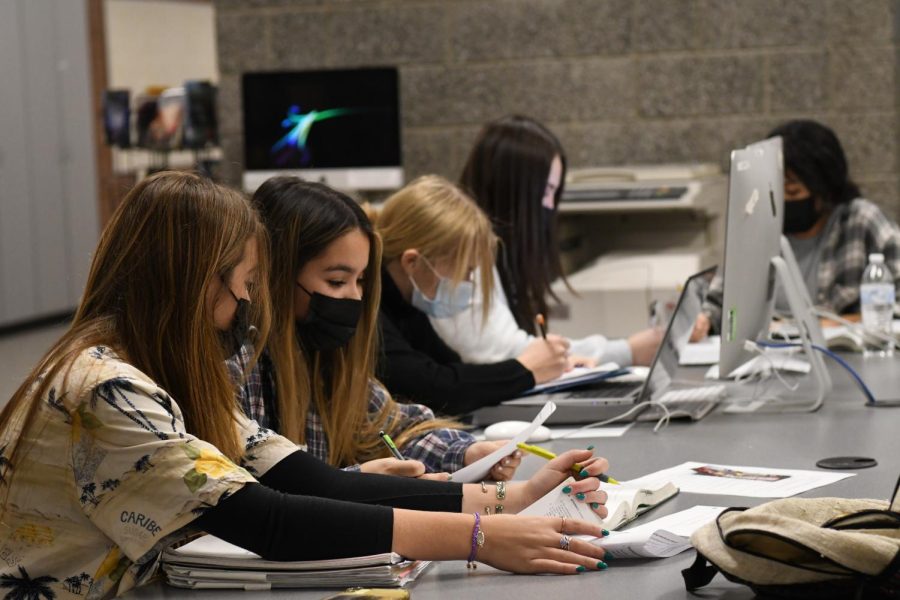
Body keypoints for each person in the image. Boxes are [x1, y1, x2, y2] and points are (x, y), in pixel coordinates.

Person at [0, 172, 612, 596]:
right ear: (190, 283)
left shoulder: (158, 372)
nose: (245, 305)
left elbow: (303, 481)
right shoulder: (108, 390)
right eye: (243, 282)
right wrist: (480, 538)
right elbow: (270, 520)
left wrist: (511, 500)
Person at [228, 176, 521, 479]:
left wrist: (466, 453)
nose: (355, 297)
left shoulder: (326, 356)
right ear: (276, 276)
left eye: (361, 281)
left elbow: (397, 426)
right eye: (337, 281)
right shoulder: (241, 365)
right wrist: (363, 482)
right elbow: (257, 491)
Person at [431, 114, 662, 368]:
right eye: (547, 191)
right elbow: (511, 352)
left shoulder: (501, 258)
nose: (551, 206)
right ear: (514, 189)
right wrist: (626, 351)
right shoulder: (461, 259)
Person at [375, 175, 574, 414]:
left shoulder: (404, 304)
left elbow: (449, 367)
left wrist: (547, 365)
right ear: (412, 262)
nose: (468, 283)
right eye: (466, 271)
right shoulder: (369, 308)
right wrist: (526, 370)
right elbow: (435, 388)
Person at [693, 119, 900, 340]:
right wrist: (702, 322)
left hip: (844, 358)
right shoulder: (756, 226)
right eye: (776, 190)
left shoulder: (861, 222)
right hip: (770, 357)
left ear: (824, 189)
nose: (783, 200)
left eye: (792, 192)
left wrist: (835, 324)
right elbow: (720, 303)